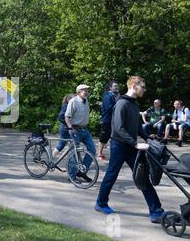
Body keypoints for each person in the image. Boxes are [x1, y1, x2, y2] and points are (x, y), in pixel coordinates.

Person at [95, 76, 165, 223]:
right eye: (143, 87)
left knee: (143, 176)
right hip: (119, 146)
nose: (144, 90)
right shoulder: (121, 103)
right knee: (111, 175)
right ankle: (100, 203)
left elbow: (138, 127)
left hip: (131, 146)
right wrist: (135, 144)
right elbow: (118, 129)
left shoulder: (134, 104)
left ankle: (156, 211)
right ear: (134, 86)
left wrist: (148, 139)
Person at [64, 84, 96, 183]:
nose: (86, 92)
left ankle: (82, 171)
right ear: (78, 91)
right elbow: (67, 117)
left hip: (84, 130)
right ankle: (72, 176)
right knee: (74, 153)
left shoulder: (86, 101)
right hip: (75, 129)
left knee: (92, 150)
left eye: (87, 90)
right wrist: (70, 128)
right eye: (84, 90)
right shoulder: (73, 101)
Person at [97, 81, 119, 161]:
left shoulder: (112, 95)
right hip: (106, 120)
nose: (117, 87)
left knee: (110, 137)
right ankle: (99, 154)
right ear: (110, 88)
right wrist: (117, 105)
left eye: (117, 86)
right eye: (115, 86)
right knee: (103, 137)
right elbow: (108, 108)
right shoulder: (108, 95)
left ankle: (106, 154)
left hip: (111, 120)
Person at [52, 94, 75, 158]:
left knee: (66, 144)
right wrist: (68, 122)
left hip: (68, 128)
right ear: (68, 100)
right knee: (66, 144)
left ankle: (55, 157)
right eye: (73, 100)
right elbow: (61, 117)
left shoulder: (70, 106)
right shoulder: (66, 106)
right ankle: (53, 157)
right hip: (65, 129)